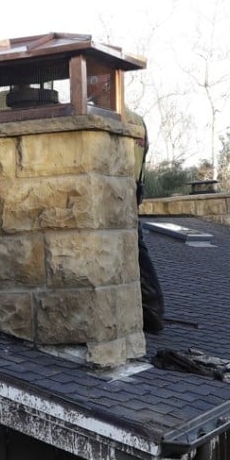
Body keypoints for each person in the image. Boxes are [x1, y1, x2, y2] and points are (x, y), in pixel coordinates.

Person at [88, 74, 166, 333]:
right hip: (132, 191)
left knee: (133, 249)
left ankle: (152, 311)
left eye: (94, 90)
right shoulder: (138, 120)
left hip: (120, 191)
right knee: (132, 249)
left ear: (107, 89)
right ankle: (148, 309)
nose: (91, 95)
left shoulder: (117, 120)